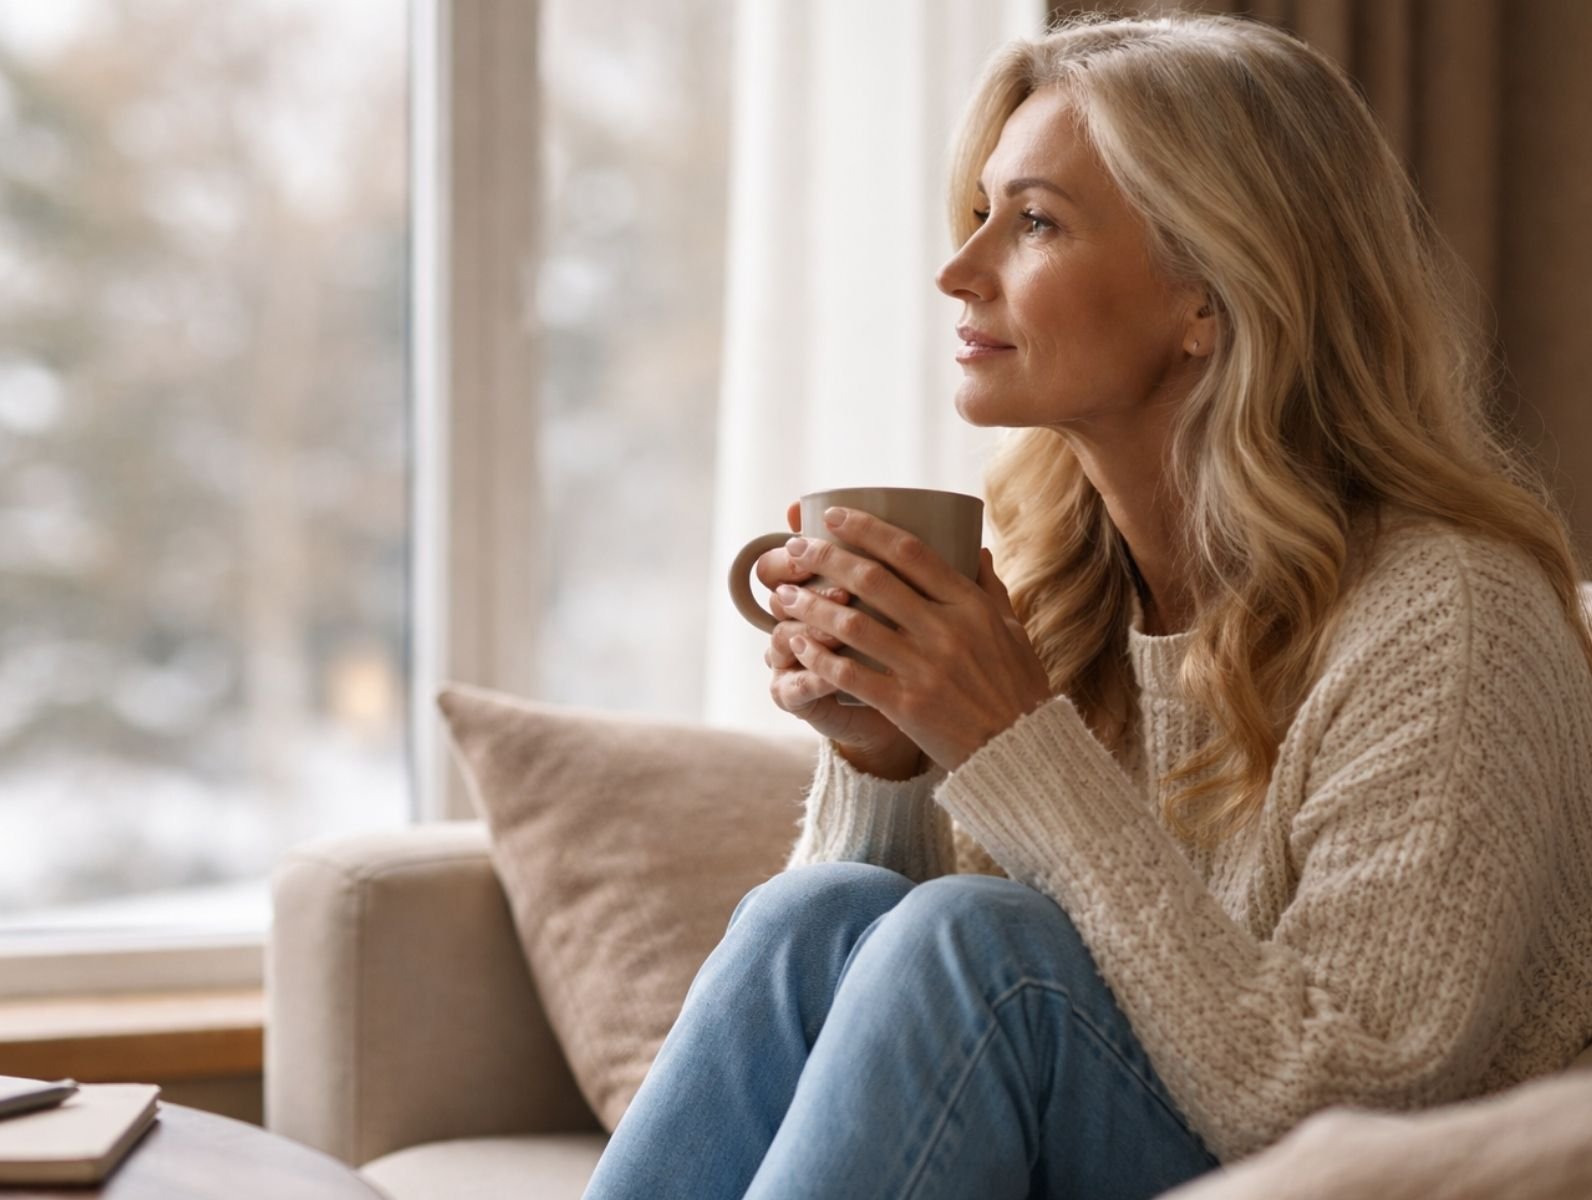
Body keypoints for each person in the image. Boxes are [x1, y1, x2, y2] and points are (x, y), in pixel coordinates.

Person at [582, 12, 1592, 1200]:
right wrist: (892, 760)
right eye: (979, 214)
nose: (959, 272)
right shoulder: (1064, 589)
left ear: (1207, 294)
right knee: (821, 914)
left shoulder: (1452, 619)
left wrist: (1015, 743)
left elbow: (1349, 1102)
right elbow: (897, 1041)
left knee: (984, 948)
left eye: (1035, 222)